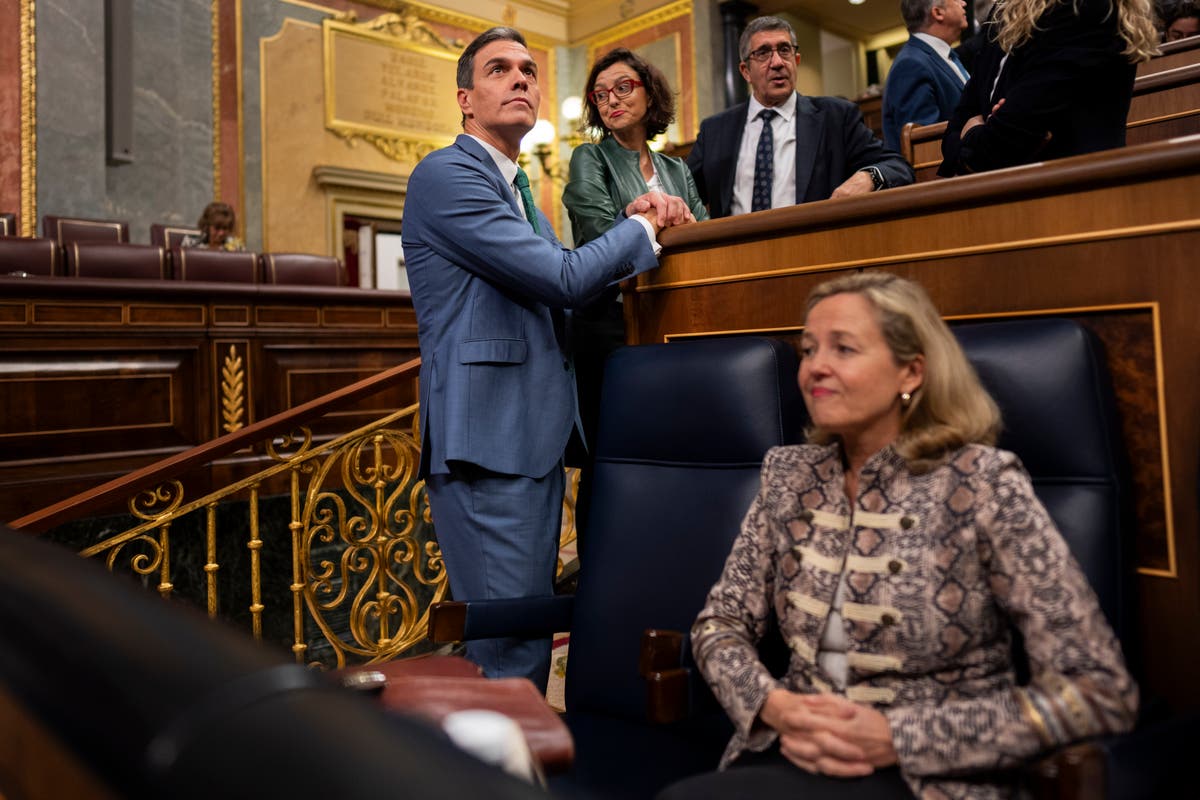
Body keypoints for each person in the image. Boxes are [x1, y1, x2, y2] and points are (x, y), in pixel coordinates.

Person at [658, 272, 1137, 799]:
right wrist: (775, 705)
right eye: (810, 348)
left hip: (933, 778)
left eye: (843, 348)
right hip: (793, 753)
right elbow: (718, 625)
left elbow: (1096, 691)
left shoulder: (981, 482)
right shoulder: (788, 475)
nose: (815, 366)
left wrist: (897, 738)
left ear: (911, 371)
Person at [401, 27, 692, 691]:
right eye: (500, 69)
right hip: (486, 449)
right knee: (508, 657)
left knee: (524, 645)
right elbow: (561, 278)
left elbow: (561, 290)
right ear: (466, 99)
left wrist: (627, 242)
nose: (523, 79)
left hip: (526, 443)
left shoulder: (521, 188)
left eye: (530, 69)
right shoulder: (449, 175)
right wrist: (641, 225)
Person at [560, 47, 705, 552]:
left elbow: (706, 233)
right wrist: (651, 216)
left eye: (624, 87)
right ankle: (599, 568)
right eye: (601, 95)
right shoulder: (590, 157)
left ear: (649, 91)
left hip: (669, 325)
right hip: (608, 329)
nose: (612, 100)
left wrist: (661, 220)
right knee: (609, 459)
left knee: (665, 451)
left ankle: (658, 558)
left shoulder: (677, 169)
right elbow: (599, 232)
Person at [687, 16, 913, 219]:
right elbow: (683, 192)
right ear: (746, 71)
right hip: (734, 257)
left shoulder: (836, 117)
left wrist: (868, 177)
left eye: (784, 50)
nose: (777, 63)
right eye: (763, 53)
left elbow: (897, 166)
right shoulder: (715, 130)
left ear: (796, 60)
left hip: (812, 251)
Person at [939, 0, 1159, 176]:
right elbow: (959, 120)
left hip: (1076, 190)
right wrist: (972, 139)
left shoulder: (1086, 8)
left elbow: (1008, 139)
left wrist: (972, 133)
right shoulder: (1004, 9)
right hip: (1014, 190)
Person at [882, 0, 971, 152]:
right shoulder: (911, 64)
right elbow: (925, 147)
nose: (963, 3)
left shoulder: (947, 56)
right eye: (956, 0)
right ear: (937, 13)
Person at [180, 202, 245, 251]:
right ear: (207, 226)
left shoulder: (237, 247)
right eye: (217, 228)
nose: (221, 233)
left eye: (225, 228)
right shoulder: (190, 243)